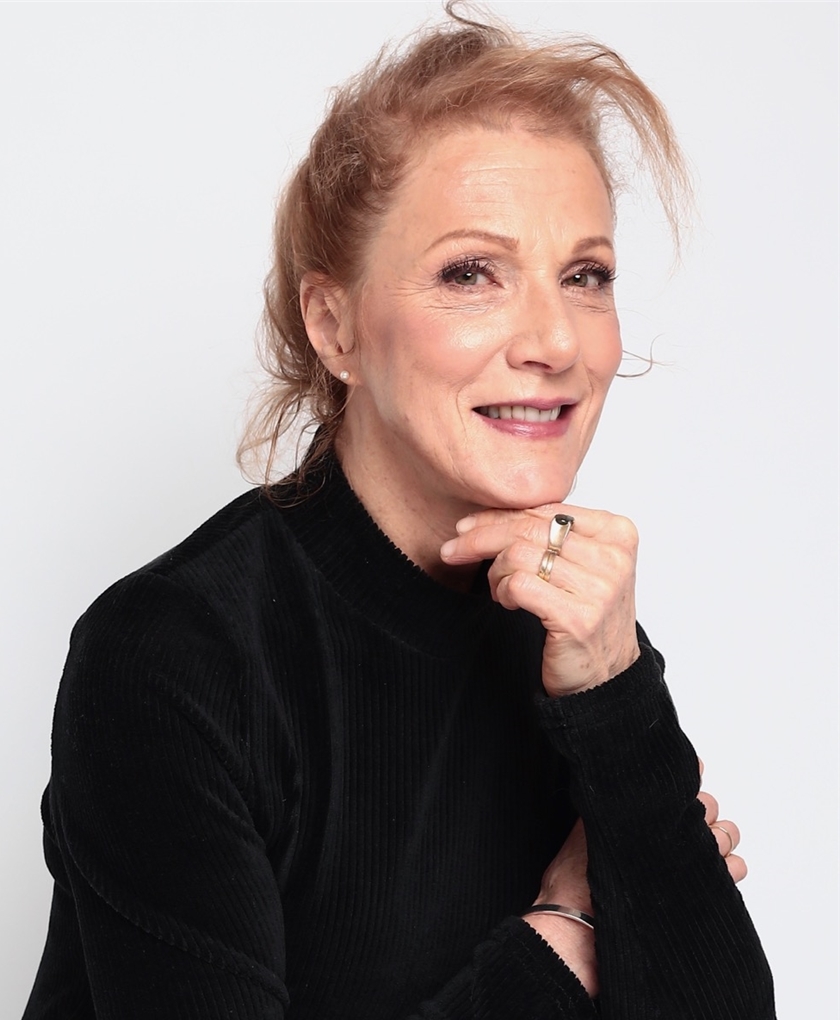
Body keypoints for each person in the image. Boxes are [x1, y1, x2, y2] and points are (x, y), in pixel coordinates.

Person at [24, 7, 775, 1018]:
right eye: (472, 273)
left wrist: (615, 690)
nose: (556, 341)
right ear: (334, 326)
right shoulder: (175, 655)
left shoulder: (578, 637)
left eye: (585, 276)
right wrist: (563, 941)